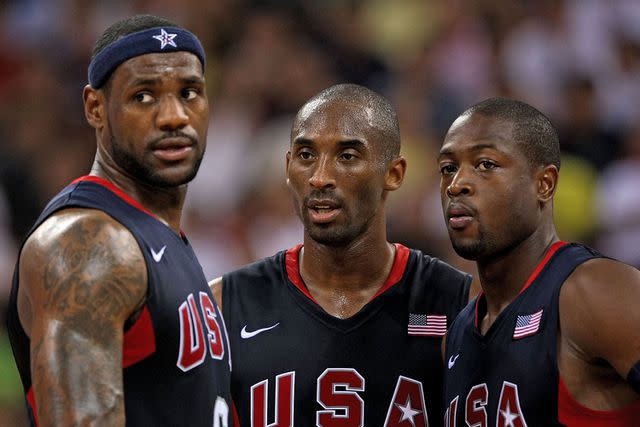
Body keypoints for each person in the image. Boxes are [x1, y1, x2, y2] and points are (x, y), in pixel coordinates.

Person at [6, 15, 231, 426]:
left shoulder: (156, 237)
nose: (174, 117)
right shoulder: (88, 241)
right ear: (95, 107)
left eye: (189, 92)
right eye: (144, 96)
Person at [210, 83, 474, 426]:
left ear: (394, 174)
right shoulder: (221, 307)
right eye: (306, 156)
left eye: (347, 156)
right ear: (288, 168)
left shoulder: (460, 306)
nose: (320, 177)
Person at [439, 97, 640, 426]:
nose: (456, 184)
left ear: (543, 184)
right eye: (448, 168)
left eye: (486, 164)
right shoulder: (457, 335)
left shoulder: (595, 290)